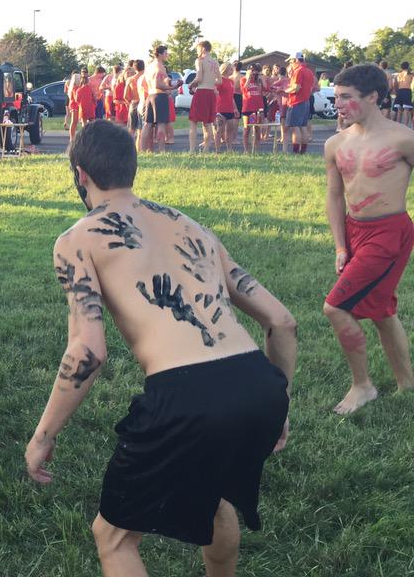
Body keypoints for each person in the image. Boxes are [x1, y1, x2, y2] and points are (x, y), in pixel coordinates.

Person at [25, 119, 295, 577]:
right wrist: (278, 401)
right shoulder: (193, 228)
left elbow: (87, 351)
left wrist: (43, 436)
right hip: (255, 381)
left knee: (113, 536)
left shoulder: (78, 239)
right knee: (216, 498)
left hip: (186, 394)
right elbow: (282, 321)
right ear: (133, 166)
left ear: (80, 174)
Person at [323, 64, 414, 414]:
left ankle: (363, 386)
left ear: (373, 97)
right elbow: (334, 195)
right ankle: (406, 384)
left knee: (336, 307)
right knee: (381, 310)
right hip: (355, 230)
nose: (339, 104)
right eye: (336, 97)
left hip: (390, 232)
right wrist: (341, 245)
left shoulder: (402, 138)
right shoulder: (335, 143)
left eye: (347, 97)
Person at [189, 41, 221, 152]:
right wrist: (211, 82)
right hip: (211, 93)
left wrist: (190, 84)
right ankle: (206, 149)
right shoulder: (215, 62)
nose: (197, 52)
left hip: (201, 92)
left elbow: (199, 78)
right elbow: (220, 81)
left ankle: (192, 150)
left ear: (202, 49)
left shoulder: (200, 60)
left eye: (198, 49)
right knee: (207, 123)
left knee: (193, 122)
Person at [283, 55, 316, 154]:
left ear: (296, 60)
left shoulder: (298, 71)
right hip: (306, 101)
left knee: (295, 127)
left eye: (291, 62)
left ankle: (296, 151)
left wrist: (285, 90)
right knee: (303, 126)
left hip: (296, 102)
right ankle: (303, 151)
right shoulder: (309, 72)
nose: (290, 64)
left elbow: (296, 88)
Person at [143, 46, 173, 153]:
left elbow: (145, 83)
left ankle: (141, 150)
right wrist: (172, 87)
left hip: (150, 95)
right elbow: (158, 84)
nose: (167, 55)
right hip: (160, 96)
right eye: (166, 53)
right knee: (161, 124)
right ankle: (162, 151)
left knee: (147, 124)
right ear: (160, 54)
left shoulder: (149, 66)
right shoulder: (160, 66)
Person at [241, 64, 266, 154]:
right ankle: (246, 150)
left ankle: (256, 149)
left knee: (257, 128)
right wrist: (248, 77)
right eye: (252, 71)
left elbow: (266, 89)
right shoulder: (243, 79)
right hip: (248, 108)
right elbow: (244, 89)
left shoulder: (258, 80)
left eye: (255, 71)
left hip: (258, 108)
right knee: (247, 129)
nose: (253, 73)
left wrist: (261, 78)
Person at [215, 63, 240, 153]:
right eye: (230, 69)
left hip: (230, 109)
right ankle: (217, 150)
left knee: (230, 130)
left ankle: (229, 149)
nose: (232, 70)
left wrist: (235, 108)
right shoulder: (219, 80)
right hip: (221, 109)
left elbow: (231, 96)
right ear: (225, 69)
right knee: (219, 130)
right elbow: (215, 93)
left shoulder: (231, 81)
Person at [392, 61, 413, 128]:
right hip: (407, 91)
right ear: (408, 66)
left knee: (399, 110)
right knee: (406, 110)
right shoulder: (410, 74)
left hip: (399, 91)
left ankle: (398, 126)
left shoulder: (398, 74)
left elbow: (394, 84)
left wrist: (396, 92)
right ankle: (405, 127)